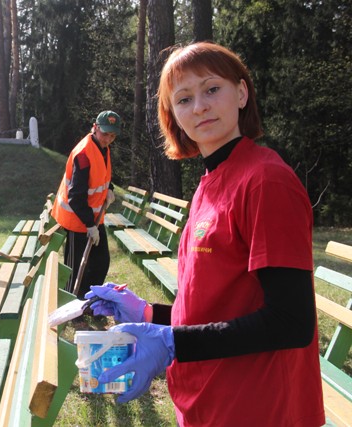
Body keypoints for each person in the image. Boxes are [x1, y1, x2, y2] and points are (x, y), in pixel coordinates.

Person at [86, 42, 325, 426]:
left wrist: (171, 342)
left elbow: (290, 322)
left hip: (258, 410)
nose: (199, 106)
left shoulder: (266, 181)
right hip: (206, 402)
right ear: (173, 116)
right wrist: (151, 314)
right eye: (184, 99)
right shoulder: (210, 183)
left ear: (241, 93)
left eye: (212, 89)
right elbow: (218, 309)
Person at [51, 111, 119, 300]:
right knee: (75, 270)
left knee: (101, 262)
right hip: (77, 219)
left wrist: (110, 189)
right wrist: (89, 225)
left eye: (112, 136)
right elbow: (75, 196)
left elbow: (101, 175)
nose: (108, 139)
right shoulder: (83, 154)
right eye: (105, 134)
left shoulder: (103, 148)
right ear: (95, 128)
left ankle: (90, 301)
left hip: (94, 218)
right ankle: (71, 305)